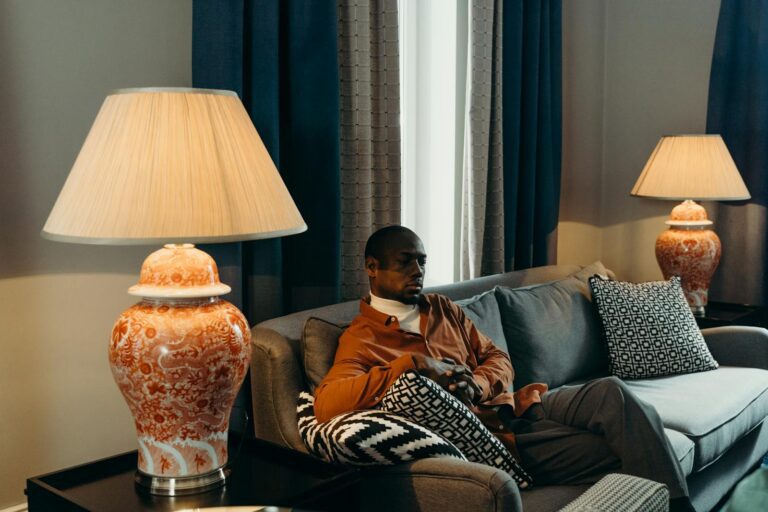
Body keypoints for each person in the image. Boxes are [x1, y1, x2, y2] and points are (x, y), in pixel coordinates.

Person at [314, 225, 691, 510]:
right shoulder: (361, 338)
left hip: (523, 403)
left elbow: (499, 359)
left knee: (611, 391)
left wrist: (478, 384)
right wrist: (410, 365)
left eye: (422, 261)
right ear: (372, 267)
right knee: (621, 449)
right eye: (405, 261)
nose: (417, 270)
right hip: (502, 438)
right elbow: (327, 404)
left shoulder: (443, 308)